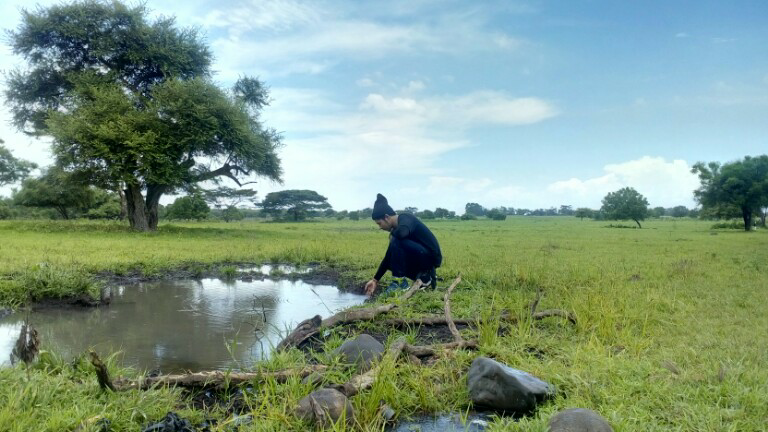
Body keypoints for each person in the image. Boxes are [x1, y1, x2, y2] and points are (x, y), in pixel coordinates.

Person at [364, 193, 442, 296]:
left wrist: (392, 234)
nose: (380, 227)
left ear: (387, 217)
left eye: (379, 223)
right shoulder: (397, 234)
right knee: (392, 257)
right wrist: (375, 280)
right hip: (421, 260)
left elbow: (401, 233)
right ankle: (424, 278)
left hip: (430, 259)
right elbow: (388, 258)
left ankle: (400, 283)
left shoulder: (406, 218)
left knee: (396, 239)